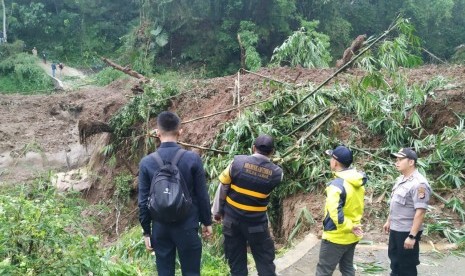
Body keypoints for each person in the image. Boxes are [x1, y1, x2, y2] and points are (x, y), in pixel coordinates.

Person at [138, 111, 213, 276]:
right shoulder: (192, 159)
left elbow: (143, 201)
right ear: (180, 131)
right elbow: (202, 194)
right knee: (192, 272)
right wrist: (207, 222)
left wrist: (146, 231)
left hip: (160, 227)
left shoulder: (147, 162)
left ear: (157, 133)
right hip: (187, 225)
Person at [215, 134, 283, 276]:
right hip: (256, 224)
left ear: (253, 148)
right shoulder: (277, 173)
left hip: (232, 221)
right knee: (264, 261)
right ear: (272, 152)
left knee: (236, 262)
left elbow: (223, 188)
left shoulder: (237, 163)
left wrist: (218, 212)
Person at [316, 145, 367, 276]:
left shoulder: (336, 186)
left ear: (335, 162)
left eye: (331, 158)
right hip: (352, 235)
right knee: (347, 268)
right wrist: (352, 227)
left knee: (323, 271)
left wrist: (348, 226)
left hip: (336, 236)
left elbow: (335, 214)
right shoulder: (358, 183)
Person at [383, 148, 431, 276]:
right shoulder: (401, 179)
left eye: (400, 160)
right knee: (395, 262)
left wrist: (411, 236)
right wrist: (389, 220)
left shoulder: (419, 184)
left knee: (407, 267)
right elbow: (395, 202)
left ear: (411, 162)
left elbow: (420, 212)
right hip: (396, 228)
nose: (396, 162)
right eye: (396, 160)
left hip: (406, 231)